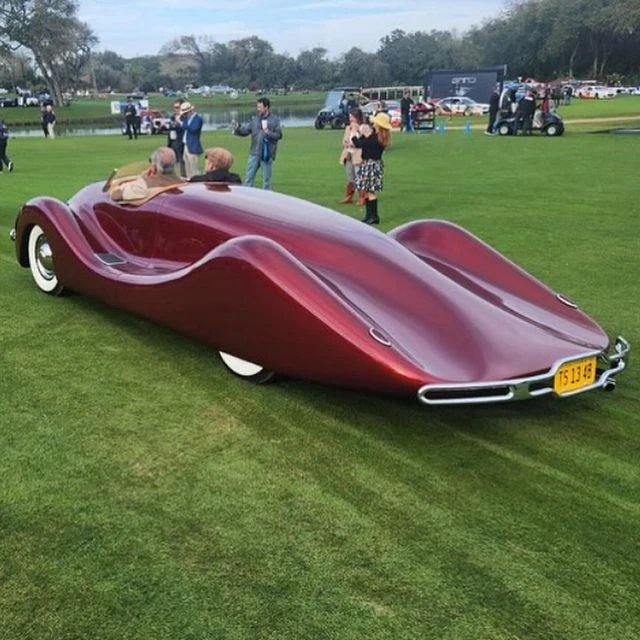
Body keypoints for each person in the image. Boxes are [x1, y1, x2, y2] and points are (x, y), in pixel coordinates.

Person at [233, 97, 283, 190]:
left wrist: (268, 132)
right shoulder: (254, 119)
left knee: (266, 180)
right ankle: (247, 198)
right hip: (254, 153)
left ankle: (266, 200)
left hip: (267, 154)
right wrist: (237, 128)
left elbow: (279, 135)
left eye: (260, 107)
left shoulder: (275, 120)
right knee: (248, 179)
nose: (258, 109)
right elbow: (245, 131)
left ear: (266, 107)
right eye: (257, 107)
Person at [351, 111, 392, 225]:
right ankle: (370, 216)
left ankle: (373, 216)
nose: (373, 125)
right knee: (369, 190)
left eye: (375, 123)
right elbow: (365, 141)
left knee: (370, 191)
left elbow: (359, 144)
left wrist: (354, 132)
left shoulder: (375, 139)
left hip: (370, 165)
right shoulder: (379, 138)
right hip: (374, 165)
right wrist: (363, 133)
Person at [110, 147, 183, 201]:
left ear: (154, 167)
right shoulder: (182, 182)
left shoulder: (143, 185)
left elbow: (115, 196)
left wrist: (142, 179)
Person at [338, 108, 364, 205]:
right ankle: (348, 196)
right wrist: (346, 143)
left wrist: (356, 129)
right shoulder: (347, 128)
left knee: (359, 176)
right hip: (348, 154)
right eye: (350, 117)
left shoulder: (363, 128)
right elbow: (344, 140)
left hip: (358, 155)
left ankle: (362, 197)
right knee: (350, 176)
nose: (350, 119)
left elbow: (364, 141)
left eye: (352, 117)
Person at [179, 101, 203, 179]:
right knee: (187, 165)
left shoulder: (198, 119)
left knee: (194, 167)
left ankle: (196, 182)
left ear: (189, 111)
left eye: (185, 113)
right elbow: (183, 127)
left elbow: (193, 129)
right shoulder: (186, 119)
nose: (184, 115)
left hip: (193, 144)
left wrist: (182, 123)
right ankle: (189, 180)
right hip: (186, 144)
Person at [167, 98, 186, 177]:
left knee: (182, 161)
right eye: (175, 107)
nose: (176, 109)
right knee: (174, 160)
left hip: (181, 141)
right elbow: (171, 127)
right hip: (172, 140)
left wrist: (178, 123)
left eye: (177, 107)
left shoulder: (185, 117)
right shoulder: (172, 117)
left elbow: (184, 128)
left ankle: (183, 176)